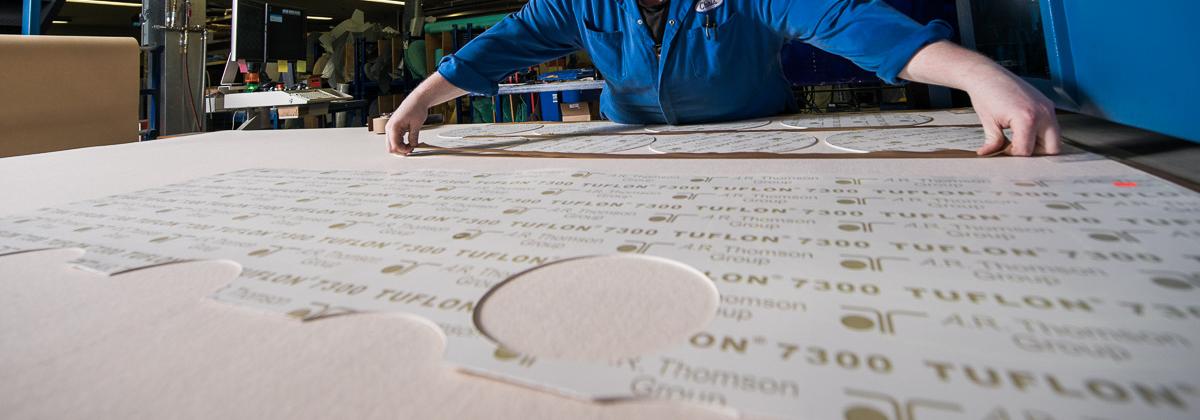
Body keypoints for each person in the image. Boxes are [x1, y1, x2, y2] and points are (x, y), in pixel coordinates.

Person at [387, 0, 1060, 157]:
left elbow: (845, 19)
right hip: (633, 150)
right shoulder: (577, 1)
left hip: (763, 140)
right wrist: (418, 101)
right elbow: (500, 47)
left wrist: (976, 74)